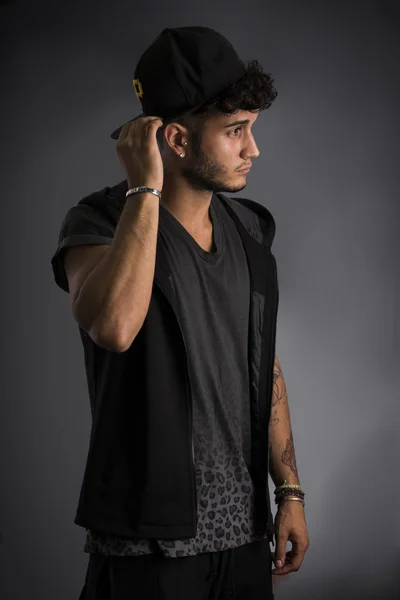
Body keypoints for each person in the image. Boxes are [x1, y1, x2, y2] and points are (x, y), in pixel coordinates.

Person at [50, 25, 309, 600]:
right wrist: (145, 189)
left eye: (252, 129)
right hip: (148, 546)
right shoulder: (97, 223)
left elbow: (263, 365)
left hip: (245, 536)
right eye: (235, 131)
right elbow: (113, 327)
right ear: (177, 140)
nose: (253, 149)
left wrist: (288, 491)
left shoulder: (249, 229)